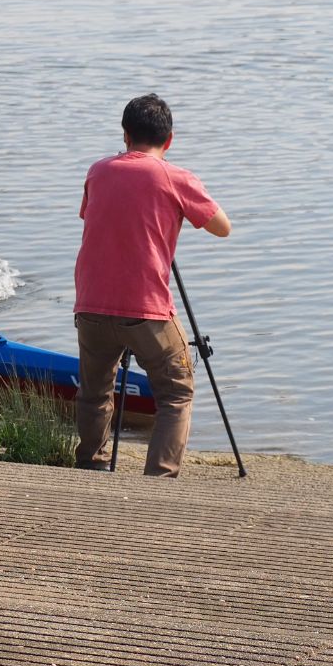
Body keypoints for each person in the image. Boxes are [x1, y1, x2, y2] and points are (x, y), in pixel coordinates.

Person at [72, 94, 230, 477]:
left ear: (125, 136)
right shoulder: (176, 178)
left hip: (90, 303)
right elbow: (222, 227)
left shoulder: (98, 171)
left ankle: (91, 466)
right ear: (170, 140)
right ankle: (158, 479)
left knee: (94, 392)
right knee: (176, 391)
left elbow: (90, 215)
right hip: (146, 309)